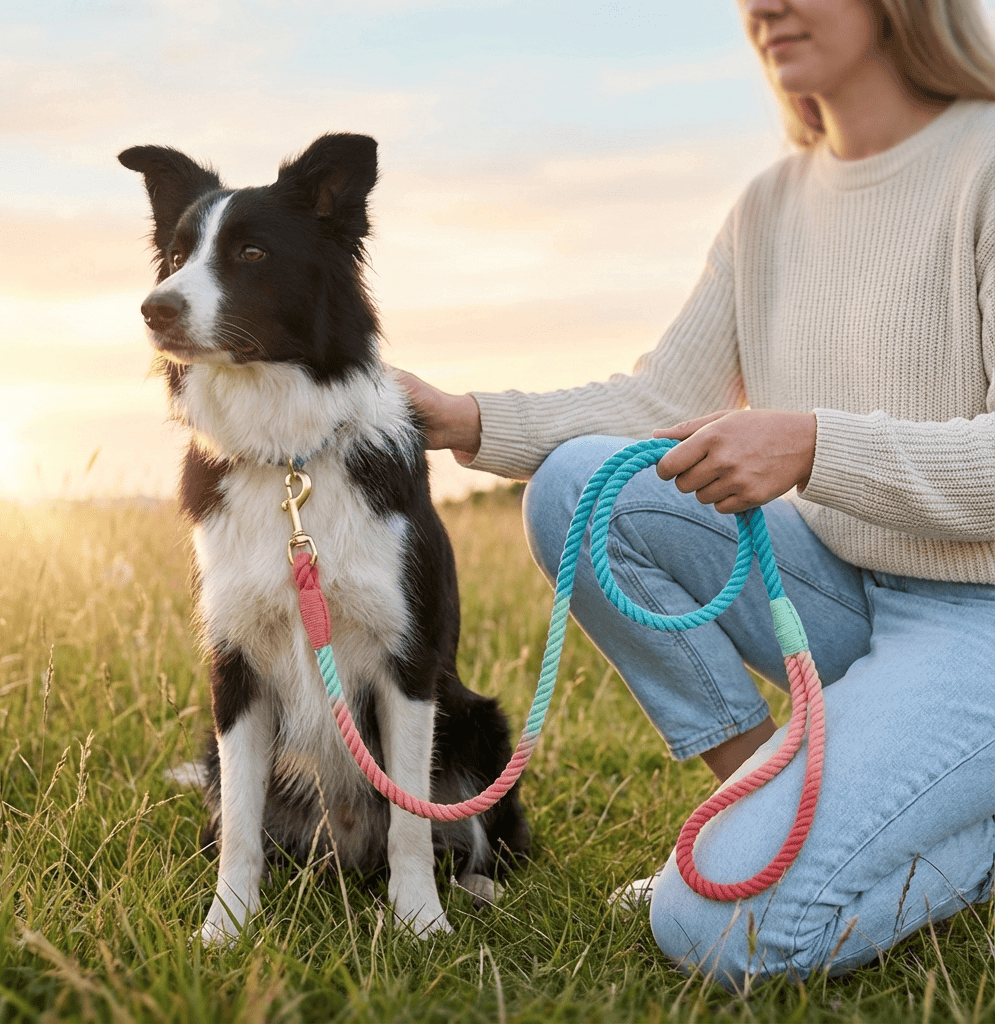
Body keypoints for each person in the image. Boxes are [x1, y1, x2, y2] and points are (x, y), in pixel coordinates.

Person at [398, 0, 995, 989]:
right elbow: (655, 403)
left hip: (978, 623)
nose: (766, 6)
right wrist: (465, 416)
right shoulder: (768, 205)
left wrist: (811, 444)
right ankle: (760, 810)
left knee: (722, 928)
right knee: (581, 488)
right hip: (856, 588)